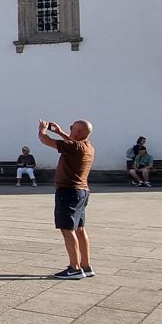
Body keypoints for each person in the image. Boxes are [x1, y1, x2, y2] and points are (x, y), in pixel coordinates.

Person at [38, 119, 95, 280]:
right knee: (80, 229)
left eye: (73, 128)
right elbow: (73, 141)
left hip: (68, 191)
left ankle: (74, 269)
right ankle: (86, 265)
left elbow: (45, 140)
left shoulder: (73, 147)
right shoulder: (88, 147)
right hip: (82, 192)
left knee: (67, 229)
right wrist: (59, 131)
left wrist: (43, 130)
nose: (70, 131)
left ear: (78, 132)